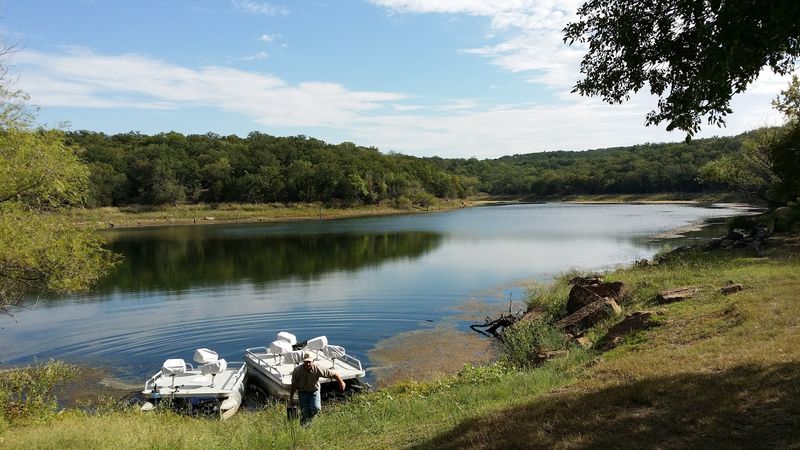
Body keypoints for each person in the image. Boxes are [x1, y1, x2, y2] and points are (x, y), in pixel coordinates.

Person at [289, 351, 345, 425]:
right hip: (303, 392)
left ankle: (308, 421)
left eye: (309, 362)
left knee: (316, 408)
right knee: (305, 411)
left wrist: (341, 381)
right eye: (306, 362)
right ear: (303, 361)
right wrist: (291, 398)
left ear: (313, 361)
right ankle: (305, 426)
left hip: (314, 391)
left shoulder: (317, 368)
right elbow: (294, 385)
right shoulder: (297, 370)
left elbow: (332, 374)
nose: (308, 364)